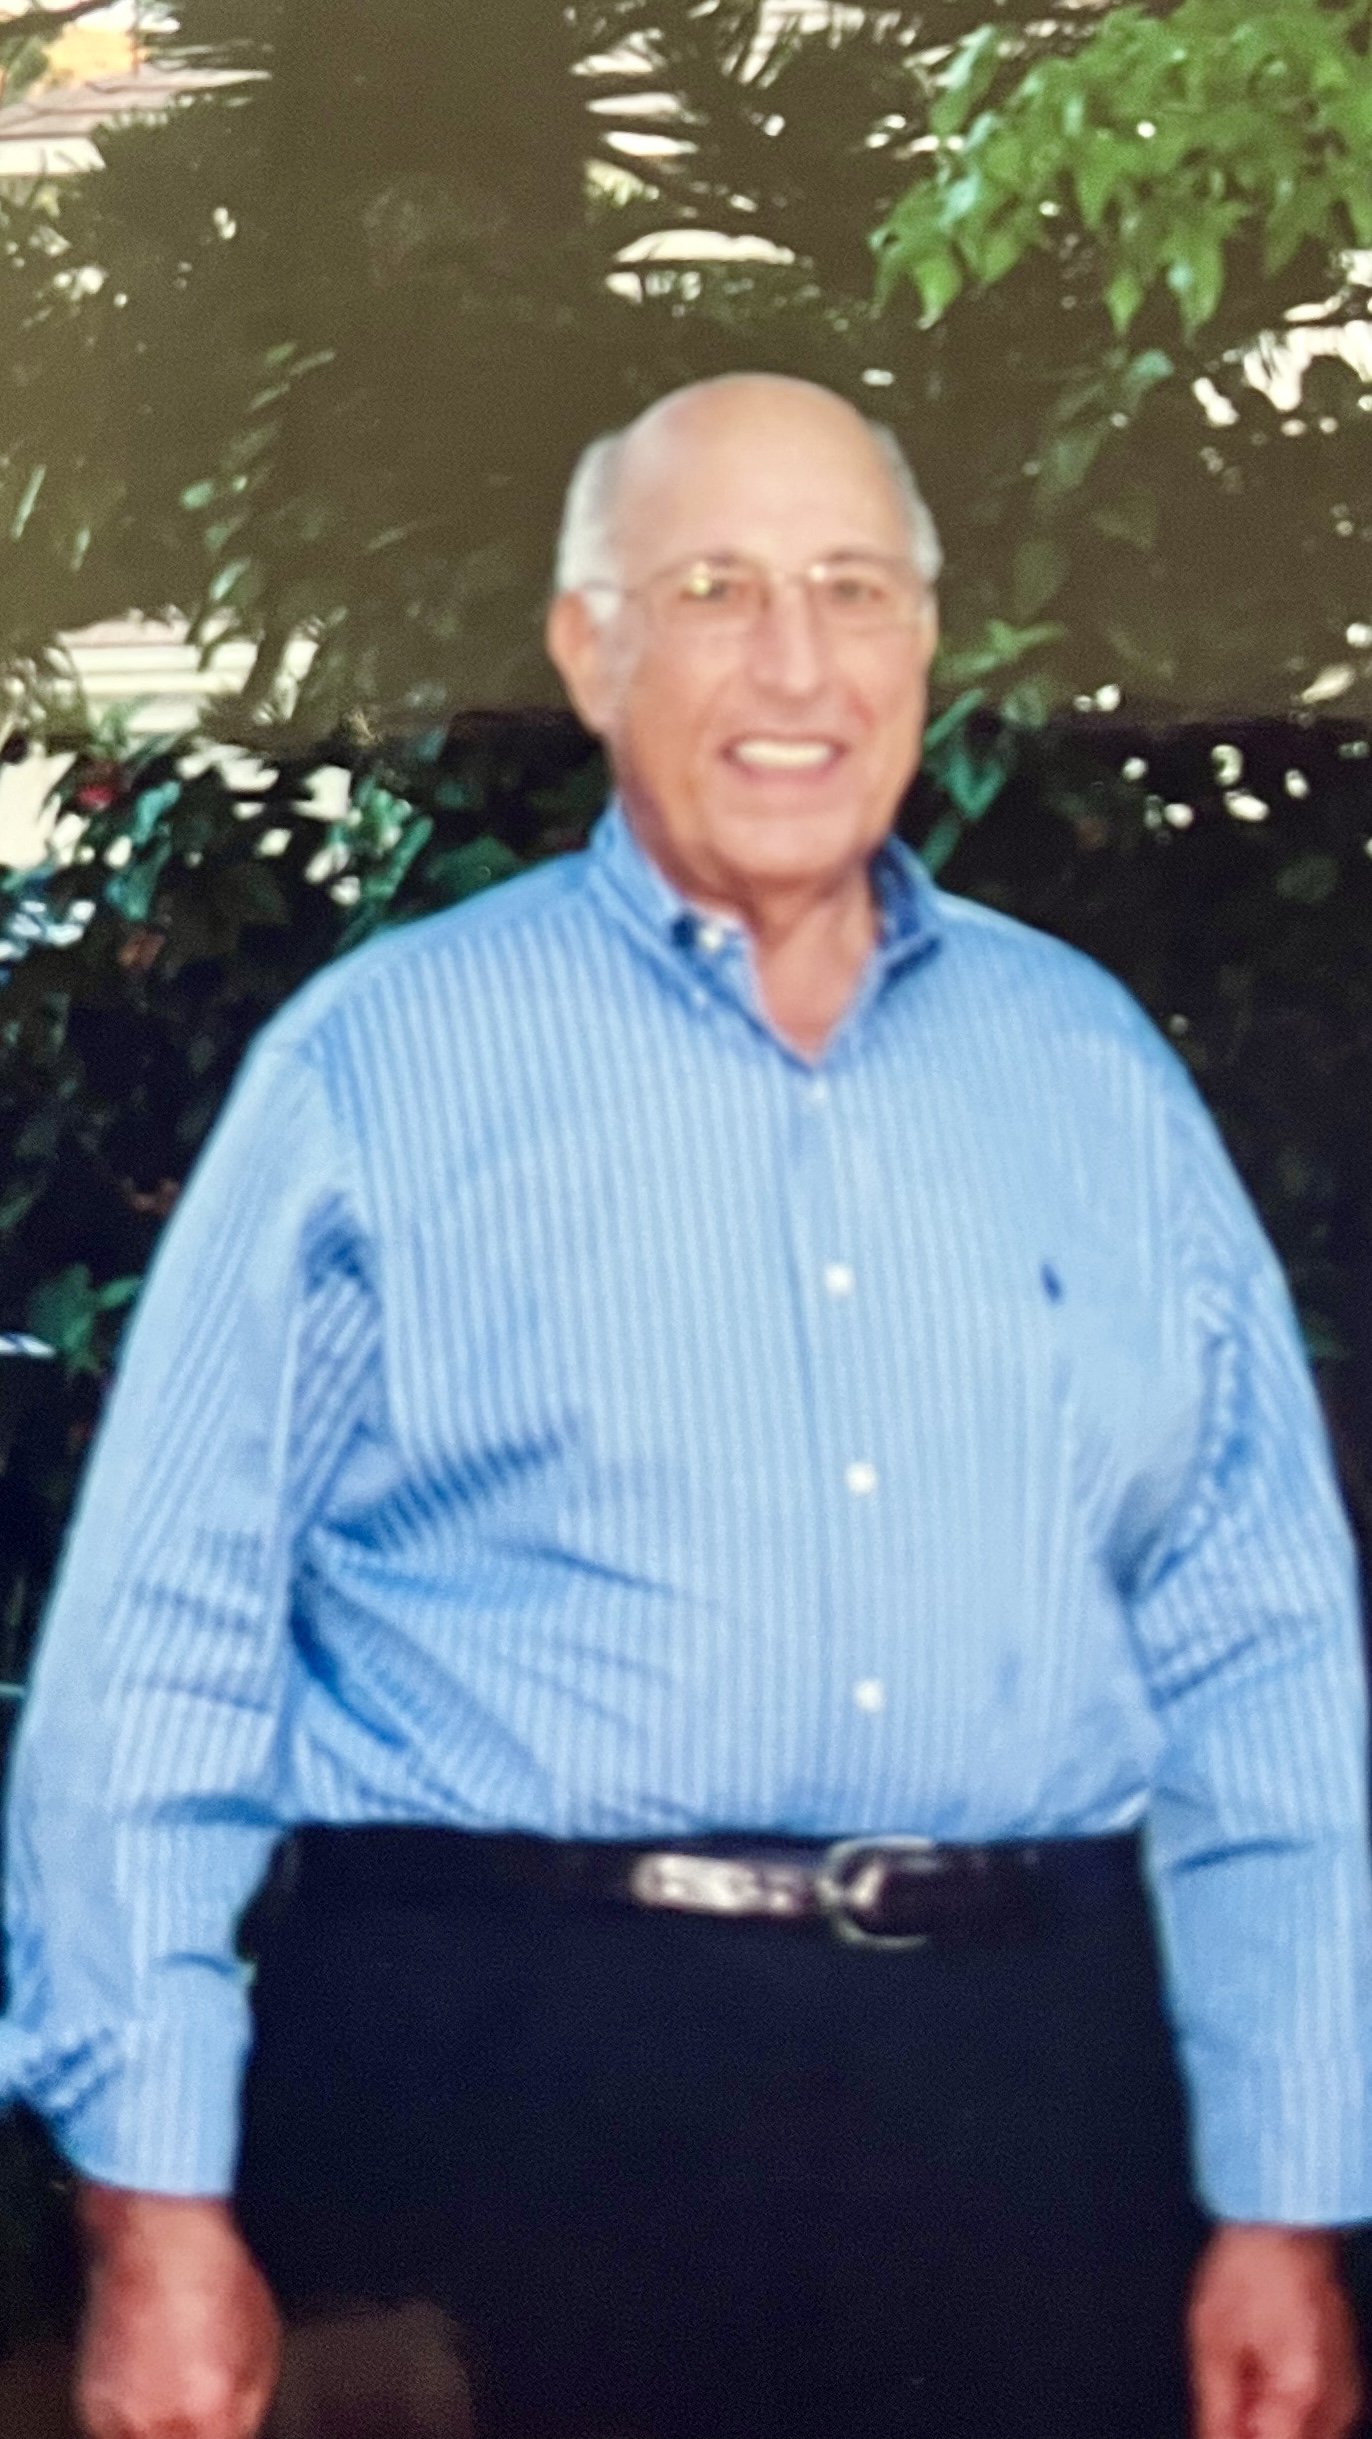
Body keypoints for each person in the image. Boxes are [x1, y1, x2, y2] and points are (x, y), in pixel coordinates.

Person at [1, 373, 1369, 2439]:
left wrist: (1284, 2197)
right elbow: (158, 1659)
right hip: (502, 2109)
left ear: (926, 638)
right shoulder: (378, 1072)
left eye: (854, 589)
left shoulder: (1089, 1071)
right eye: (715, 589)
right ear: (587, 648)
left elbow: (1255, 1647)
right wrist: (152, 2213)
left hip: (1039, 2116)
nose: (797, 664)